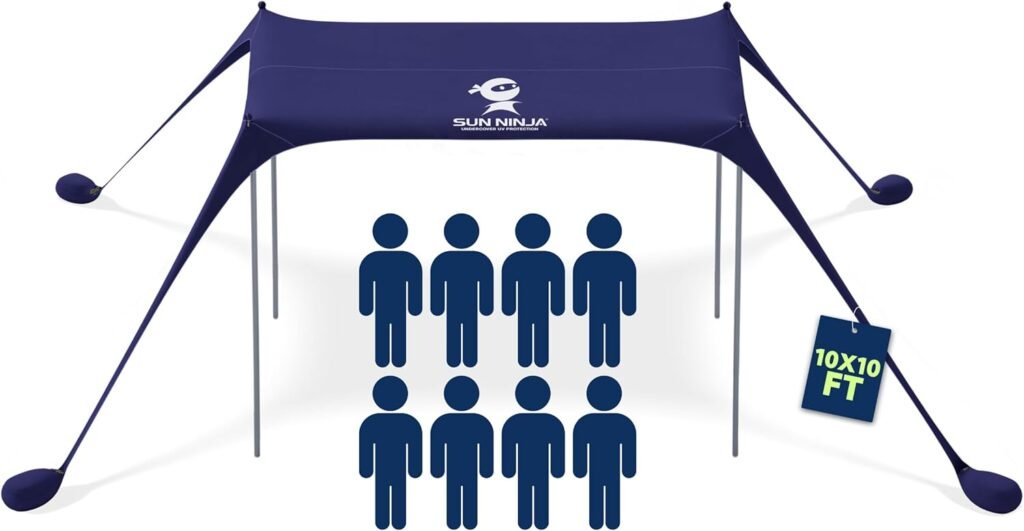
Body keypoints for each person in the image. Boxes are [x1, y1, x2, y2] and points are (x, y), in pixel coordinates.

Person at [430, 377, 494, 529]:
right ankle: (467, 521)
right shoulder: (480, 422)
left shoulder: (442, 422)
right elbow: (486, 449)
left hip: (455, 468)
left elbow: (437, 449)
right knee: (467, 492)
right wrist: (486, 469)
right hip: (468, 468)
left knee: (455, 492)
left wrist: (437, 469)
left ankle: (456, 521)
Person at [573, 214, 636, 367]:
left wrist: (580, 307)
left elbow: (580, 287)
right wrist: (628, 307)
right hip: (610, 306)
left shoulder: (585, 260)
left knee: (598, 330)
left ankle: (598, 359)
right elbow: (628, 287)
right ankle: (610, 359)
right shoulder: (623, 261)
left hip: (597, 306)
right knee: (610, 330)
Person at [502, 214, 565, 367]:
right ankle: (539, 359)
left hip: (526, 306)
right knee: (539, 330)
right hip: (539, 306)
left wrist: (508, 307)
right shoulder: (552, 260)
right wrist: (557, 307)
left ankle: (527, 359)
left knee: (527, 330)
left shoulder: (514, 260)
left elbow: (508, 287)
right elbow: (557, 287)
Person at [359, 214, 423, 367]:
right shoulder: (409, 260)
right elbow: (415, 287)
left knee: (384, 330)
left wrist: (366, 307)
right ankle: (397, 359)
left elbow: (366, 287)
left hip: (383, 306)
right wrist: (415, 307)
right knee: (397, 331)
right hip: (397, 306)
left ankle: (384, 359)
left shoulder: (371, 261)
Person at [573, 377, 636, 530]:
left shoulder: (585, 422)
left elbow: (579, 449)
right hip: (611, 468)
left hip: (596, 467)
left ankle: (597, 521)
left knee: (597, 492)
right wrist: (628, 469)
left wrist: (580, 469)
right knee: (611, 492)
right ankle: (611, 521)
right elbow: (629, 449)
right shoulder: (623, 423)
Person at [359, 376, 423, 529]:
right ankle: (397, 521)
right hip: (398, 468)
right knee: (398, 493)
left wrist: (366, 469)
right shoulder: (410, 422)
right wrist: (415, 469)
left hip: (382, 468)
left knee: (382, 493)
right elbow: (415, 448)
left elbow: (366, 449)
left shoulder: (371, 423)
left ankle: (383, 521)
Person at [431, 214, 494, 367]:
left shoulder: (442, 260)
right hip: (468, 306)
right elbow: (486, 287)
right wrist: (486, 307)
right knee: (467, 330)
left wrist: (437, 307)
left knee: (456, 330)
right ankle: (467, 359)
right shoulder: (480, 260)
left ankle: (456, 359)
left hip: (455, 306)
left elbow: (437, 287)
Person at [502, 376, 565, 529]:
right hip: (539, 468)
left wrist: (508, 469)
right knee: (539, 492)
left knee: (527, 492)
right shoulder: (552, 422)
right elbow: (557, 449)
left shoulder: (514, 422)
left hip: (526, 468)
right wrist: (557, 469)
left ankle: (527, 521)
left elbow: (508, 449)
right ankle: (539, 521)